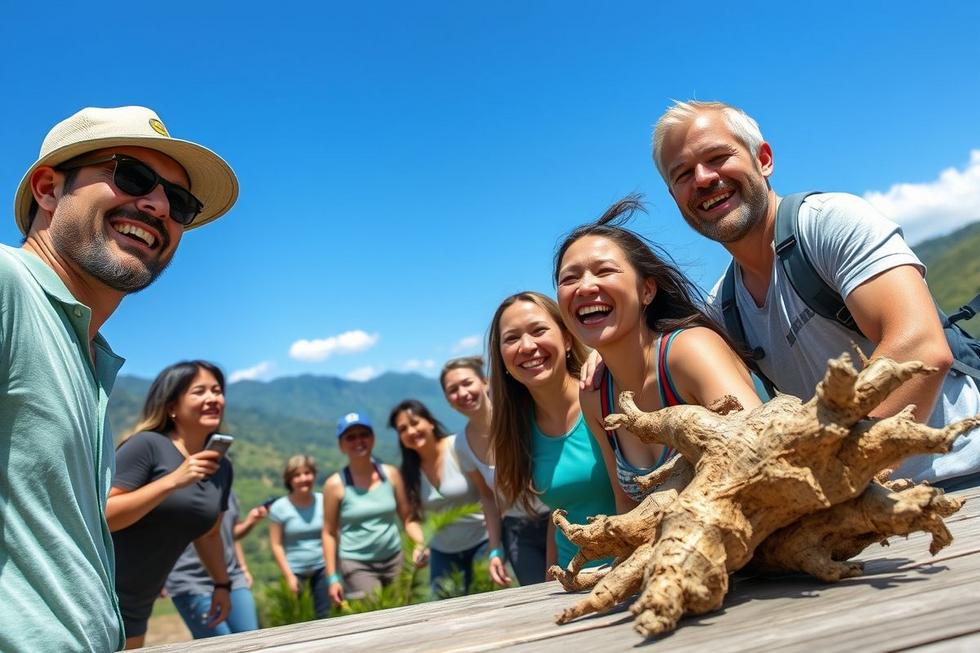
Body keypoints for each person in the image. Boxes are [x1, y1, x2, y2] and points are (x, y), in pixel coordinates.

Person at [0, 105, 237, 652]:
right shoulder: (10, 290)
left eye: (180, 203)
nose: (157, 206)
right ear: (47, 189)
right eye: (131, 176)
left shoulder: (88, 352)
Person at [651, 99, 980, 490]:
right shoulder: (723, 308)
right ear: (675, 198)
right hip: (858, 514)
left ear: (764, 160)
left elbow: (922, 348)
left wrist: (830, 475)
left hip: (962, 474)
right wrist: (598, 357)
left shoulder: (828, 223)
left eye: (718, 157)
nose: (703, 178)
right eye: (683, 174)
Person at [555, 197, 762, 502]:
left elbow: (764, 455)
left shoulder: (688, 352)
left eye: (604, 271)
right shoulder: (595, 396)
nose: (584, 287)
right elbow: (626, 505)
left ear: (647, 290)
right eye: (569, 278)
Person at [488, 292, 623, 571]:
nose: (527, 346)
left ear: (567, 338)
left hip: (629, 571)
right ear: (502, 359)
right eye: (512, 338)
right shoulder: (518, 429)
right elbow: (561, 511)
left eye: (539, 330)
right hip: (572, 579)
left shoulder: (606, 396)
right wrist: (554, 576)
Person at [106, 361, 234, 649]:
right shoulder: (146, 446)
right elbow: (104, 516)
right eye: (199, 391)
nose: (213, 398)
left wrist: (222, 585)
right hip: (97, 591)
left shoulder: (221, 467)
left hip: (139, 601)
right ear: (171, 406)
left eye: (217, 390)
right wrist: (172, 481)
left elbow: (209, 534)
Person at [441, 357, 550, 586]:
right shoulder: (461, 444)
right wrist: (494, 550)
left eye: (467, 383)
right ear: (448, 401)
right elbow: (488, 498)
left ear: (485, 382)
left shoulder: (520, 415)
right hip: (518, 532)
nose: (462, 393)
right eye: (453, 390)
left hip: (556, 517)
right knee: (537, 596)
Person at [322, 412, 426, 604]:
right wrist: (332, 577)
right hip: (356, 564)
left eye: (364, 434)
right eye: (350, 437)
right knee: (375, 610)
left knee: (402, 610)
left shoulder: (391, 475)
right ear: (341, 445)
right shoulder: (335, 485)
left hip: (395, 558)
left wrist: (420, 543)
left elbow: (407, 517)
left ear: (373, 439)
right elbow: (328, 532)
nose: (358, 441)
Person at [389, 399, 488, 597]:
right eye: (402, 429)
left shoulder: (458, 446)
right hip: (442, 553)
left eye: (415, 422)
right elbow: (410, 518)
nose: (411, 431)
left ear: (430, 422)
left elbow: (488, 493)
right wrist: (420, 543)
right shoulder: (408, 472)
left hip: (482, 544)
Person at [165, 491, 267, 639]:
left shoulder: (228, 490)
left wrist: (250, 522)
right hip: (190, 581)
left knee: (251, 640)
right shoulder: (177, 489)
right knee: (222, 644)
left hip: (232, 577)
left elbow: (230, 535)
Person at [268, 455, 329, 618]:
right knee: (298, 618)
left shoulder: (324, 501)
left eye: (307, 473)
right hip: (294, 569)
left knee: (326, 616)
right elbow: (276, 544)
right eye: (297, 475)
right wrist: (288, 575)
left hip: (323, 566)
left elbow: (332, 534)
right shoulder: (279, 508)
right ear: (289, 480)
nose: (303, 479)